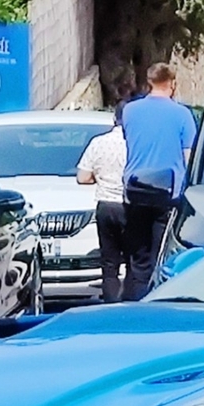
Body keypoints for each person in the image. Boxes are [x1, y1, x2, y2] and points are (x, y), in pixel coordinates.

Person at [118, 62, 198, 300]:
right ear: (172, 84)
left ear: (149, 82)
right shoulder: (182, 114)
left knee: (138, 257)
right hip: (168, 194)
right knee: (161, 254)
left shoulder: (130, 111)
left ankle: (135, 300)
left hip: (134, 191)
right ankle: (158, 299)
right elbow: (189, 156)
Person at [74, 109, 128, 305]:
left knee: (109, 262)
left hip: (105, 205)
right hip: (130, 205)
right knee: (134, 260)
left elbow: (83, 177)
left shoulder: (98, 143)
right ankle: (131, 303)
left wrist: (103, 178)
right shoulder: (137, 142)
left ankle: (111, 302)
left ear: (115, 118)